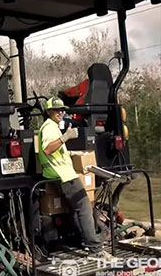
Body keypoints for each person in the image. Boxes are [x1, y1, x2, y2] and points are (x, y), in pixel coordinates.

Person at [38, 96, 109, 258]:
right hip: (64, 175)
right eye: (57, 110)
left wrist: (72, 152)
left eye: (62, 110)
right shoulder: (49, 127)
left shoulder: (52, 126)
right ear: (48, 111)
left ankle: (82, 240)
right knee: (84, 207)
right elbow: (48, 149)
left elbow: (54, 152)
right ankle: (95, 248)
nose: (61, 113)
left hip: (58, 175)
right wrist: (66, 136)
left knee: (74, 209)